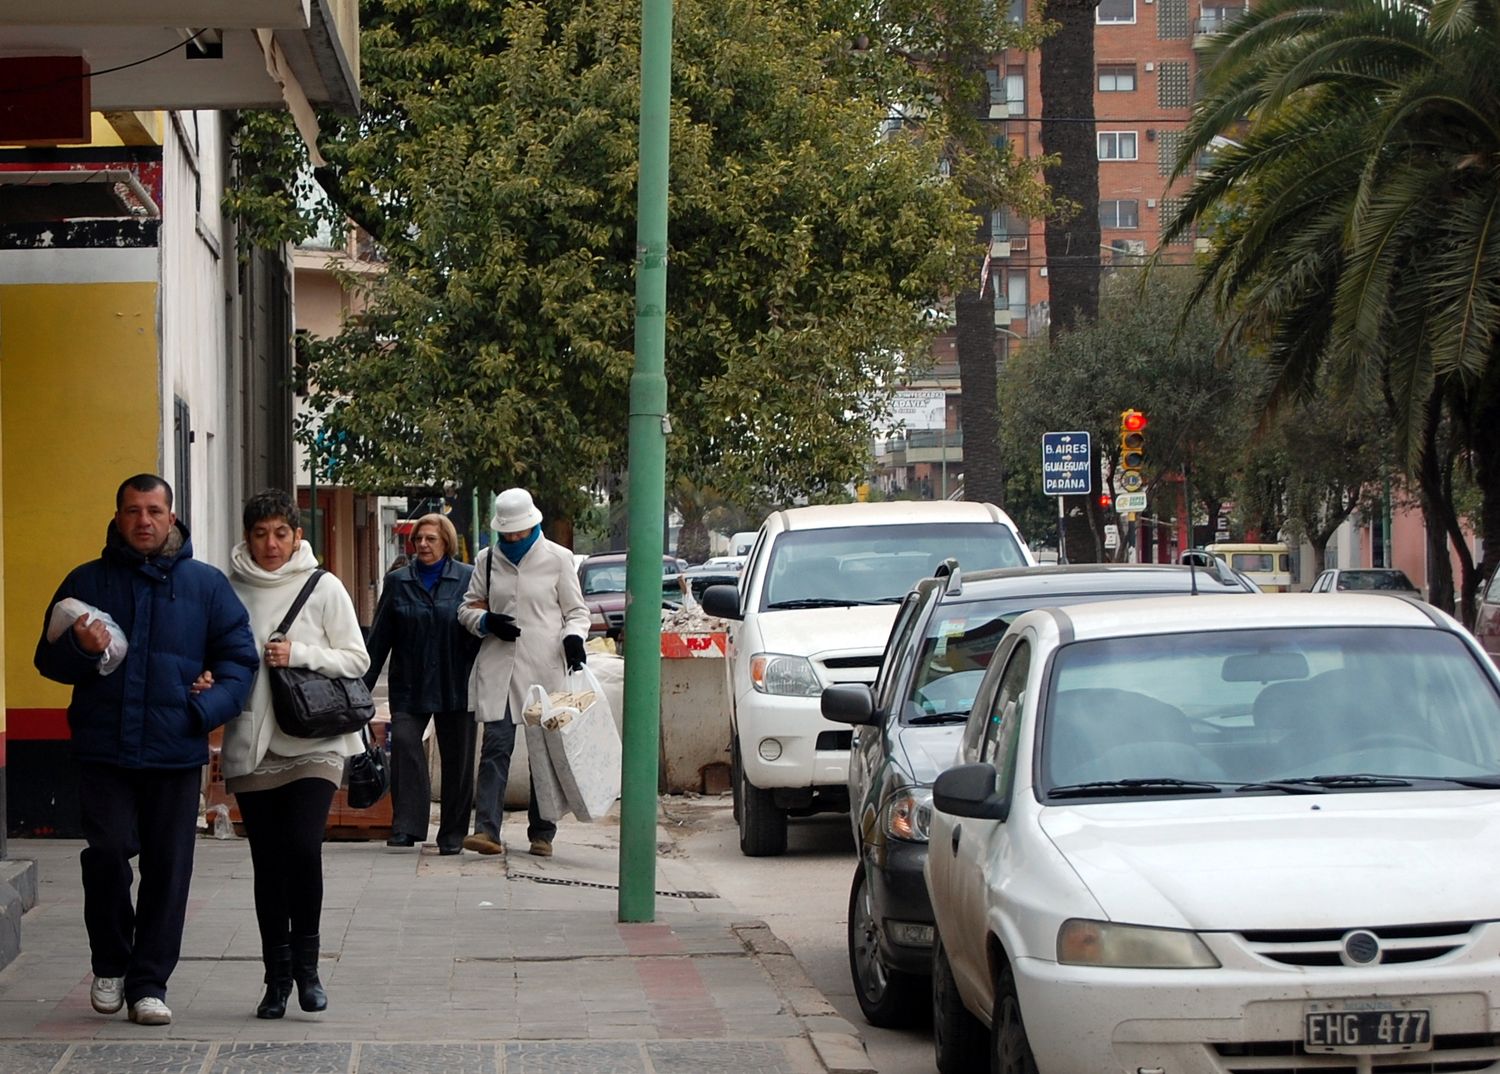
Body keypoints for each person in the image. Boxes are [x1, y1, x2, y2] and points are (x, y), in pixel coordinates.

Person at [34, 474, 258, 1027]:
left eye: (153, 510)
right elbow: (48, 660)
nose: (143, 521)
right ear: (117, 517)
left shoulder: (205, 586)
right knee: (107, 853)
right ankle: (110, 962)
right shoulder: (85, 582)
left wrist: (204, 712)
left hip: (174, 749)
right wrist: (83, 653)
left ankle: (149, 983)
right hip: (102, 748)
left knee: (168, 867)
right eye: (133, 511)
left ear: (171, 516)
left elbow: (238, 661)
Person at [221, 489, 370, 1019]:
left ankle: (308, 970)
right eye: (260, 534)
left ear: (297, 535)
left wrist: (299, 653)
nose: (270, 544)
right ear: (247, 537)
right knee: (268, 863)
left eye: (281, 533)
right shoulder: (229, 589)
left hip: (316, 738)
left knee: (304, 849)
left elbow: (357, 659)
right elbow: (216, 654)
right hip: (254, 740)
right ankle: (275, 979)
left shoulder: (323, 586)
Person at [458, 488, 590, 857]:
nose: (513, 538)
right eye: (507, 533)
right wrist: (486, 621)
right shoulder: (487, 560)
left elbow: (577, 613)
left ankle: (542, 832)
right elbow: (466, 609)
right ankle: (486, 830)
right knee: (496, 747)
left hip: (544, 670)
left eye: (519, 531)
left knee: (544, 755)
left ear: (532, 525)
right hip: (501, 668)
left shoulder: (558, 559)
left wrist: (574, 638)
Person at [363, 513, 481, 854]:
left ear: (446, 542)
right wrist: (361, 687)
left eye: (430, 539)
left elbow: (476, 631)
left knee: (457, 760)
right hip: (409, 684)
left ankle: (453, 834)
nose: (423, 545)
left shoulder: (467, 579)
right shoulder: (399, 581)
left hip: (454, 682)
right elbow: (381, 636)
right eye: (418, 540)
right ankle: (407, 826)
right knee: (404, 743)